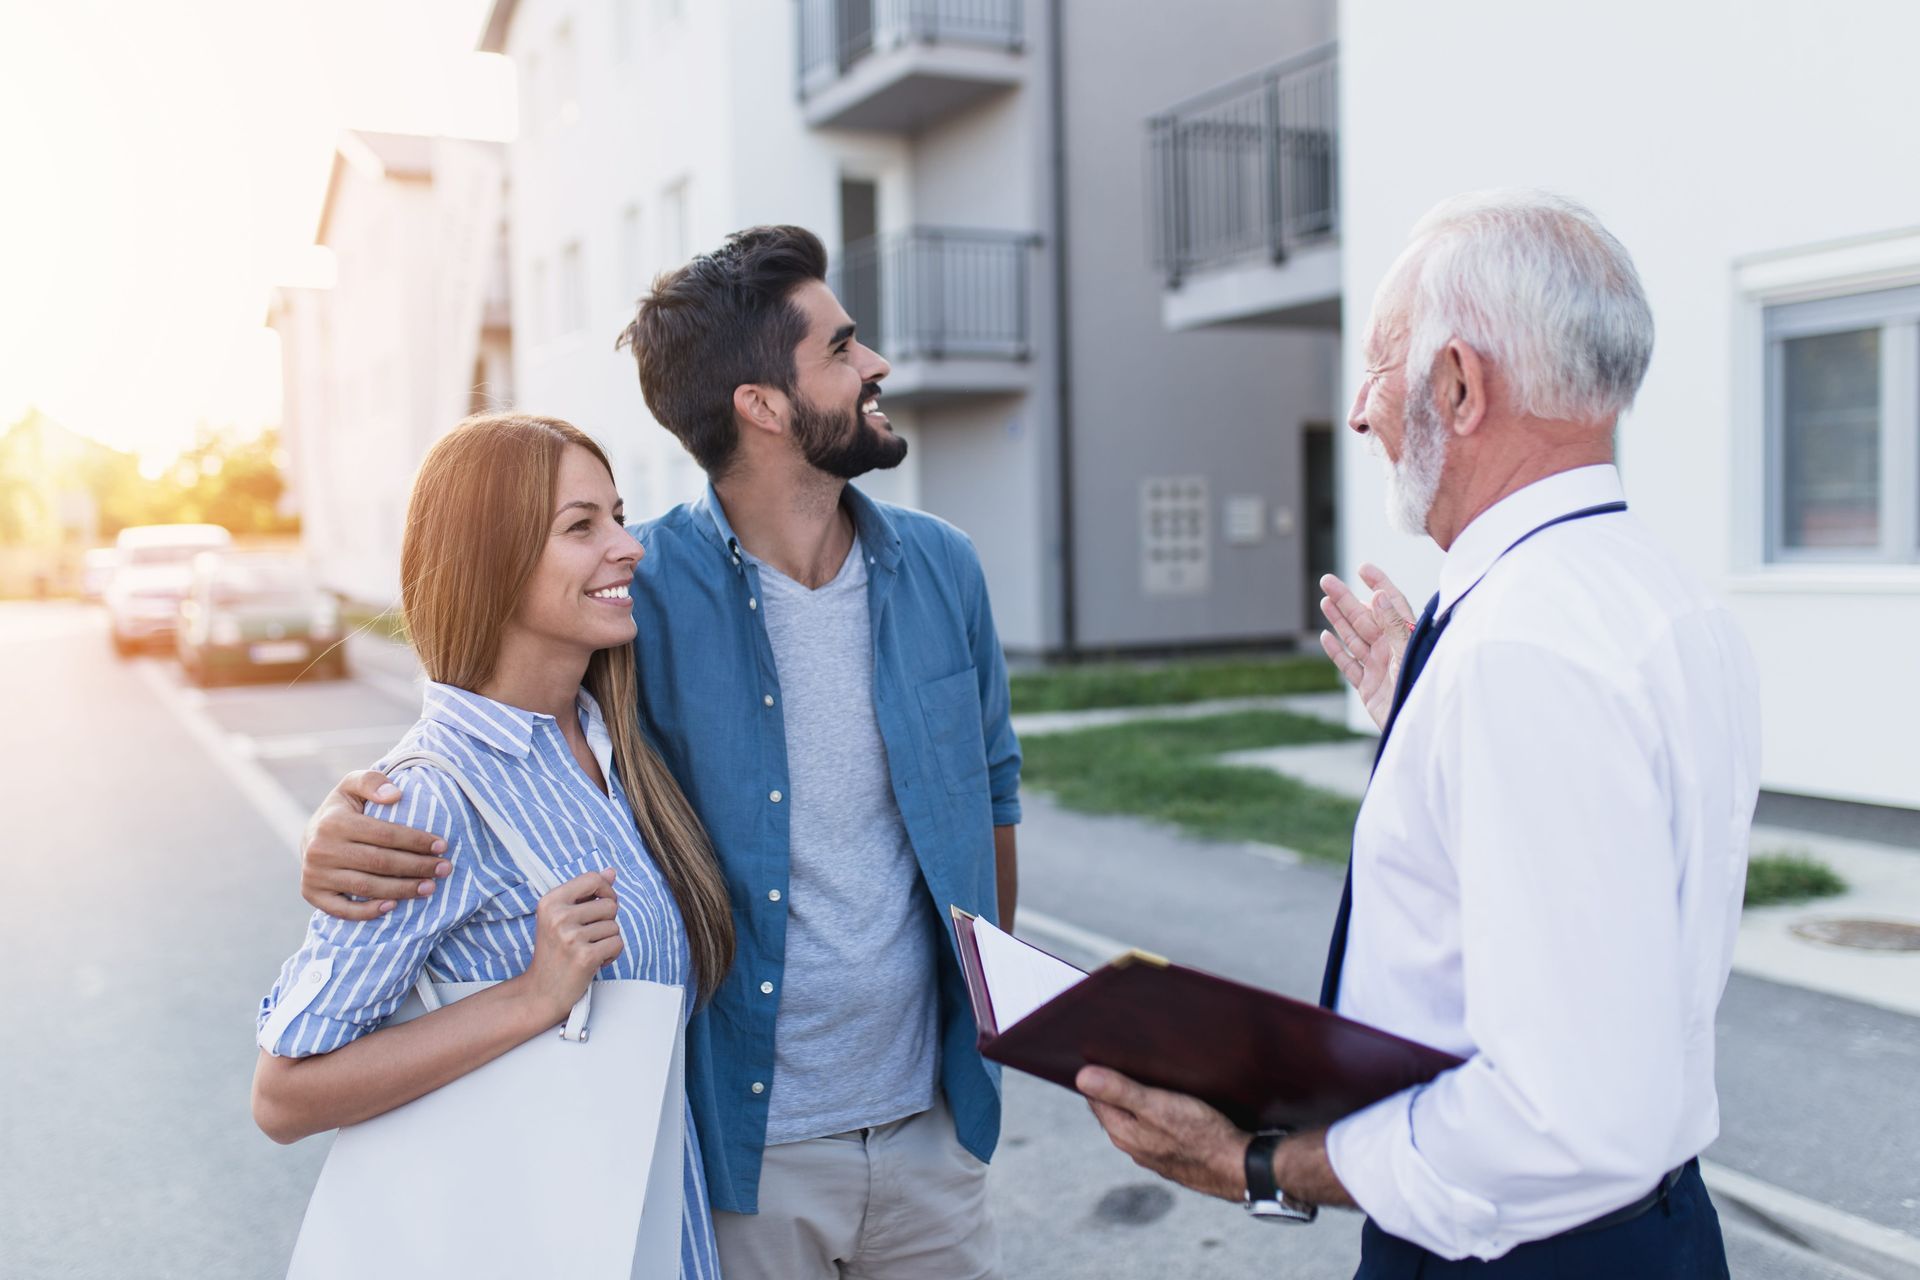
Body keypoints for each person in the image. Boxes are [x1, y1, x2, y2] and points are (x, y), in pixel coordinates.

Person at [294, 226, 1020, 1279]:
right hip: (739, 1152)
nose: (876, 366)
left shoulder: (944, 568)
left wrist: (992, 1030)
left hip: (932, 1132)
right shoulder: (643, 595)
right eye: (844, 346)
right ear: (763, 406)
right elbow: (496, 720)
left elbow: (994, 791)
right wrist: (340, 828)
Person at [1076, 190, 1760, 1278]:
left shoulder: (1516, 653)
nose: (1360, 412)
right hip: (1650, 1231)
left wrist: (1258, 1162)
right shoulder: (1657, 598)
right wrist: (1430, 717)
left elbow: (1556, 1118)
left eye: (1380, 365)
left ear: (1457, 383)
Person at [252, 414, 735, 1278]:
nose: (629, 547)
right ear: (493, 560)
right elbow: (286, 1092)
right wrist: (529, 999)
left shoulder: (607, 747)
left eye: (618, 517)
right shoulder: (431, 794)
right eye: (582, 526)